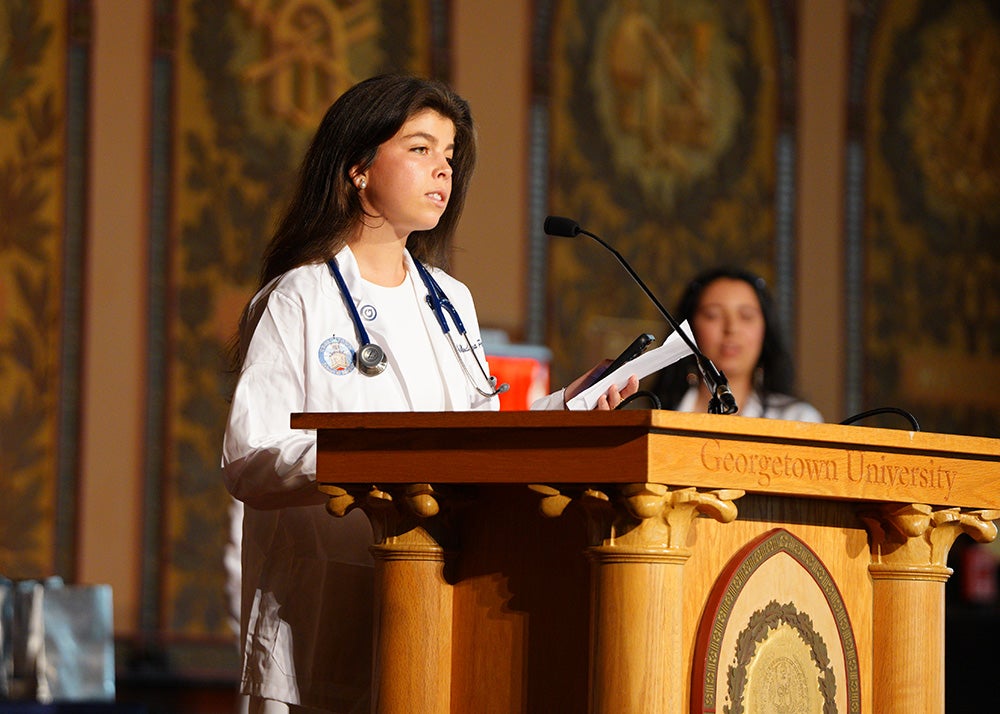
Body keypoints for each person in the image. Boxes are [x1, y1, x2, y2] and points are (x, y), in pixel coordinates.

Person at [221, 74, 637, 714]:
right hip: (319, 616)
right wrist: (375, 461)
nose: (442, 170)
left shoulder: (450, 301)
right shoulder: (298, 297)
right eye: (420, 149)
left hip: (437, 607)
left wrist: (570, 407)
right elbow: (251, 460)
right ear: (358, 167)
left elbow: (476, 436)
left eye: (449, 156)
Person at [651, 266, 822, 422]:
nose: (731, 328)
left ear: (766, 330)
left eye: (746, 316)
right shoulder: (651, 414)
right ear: (690, 328)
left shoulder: (798, 419)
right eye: (713, 315)